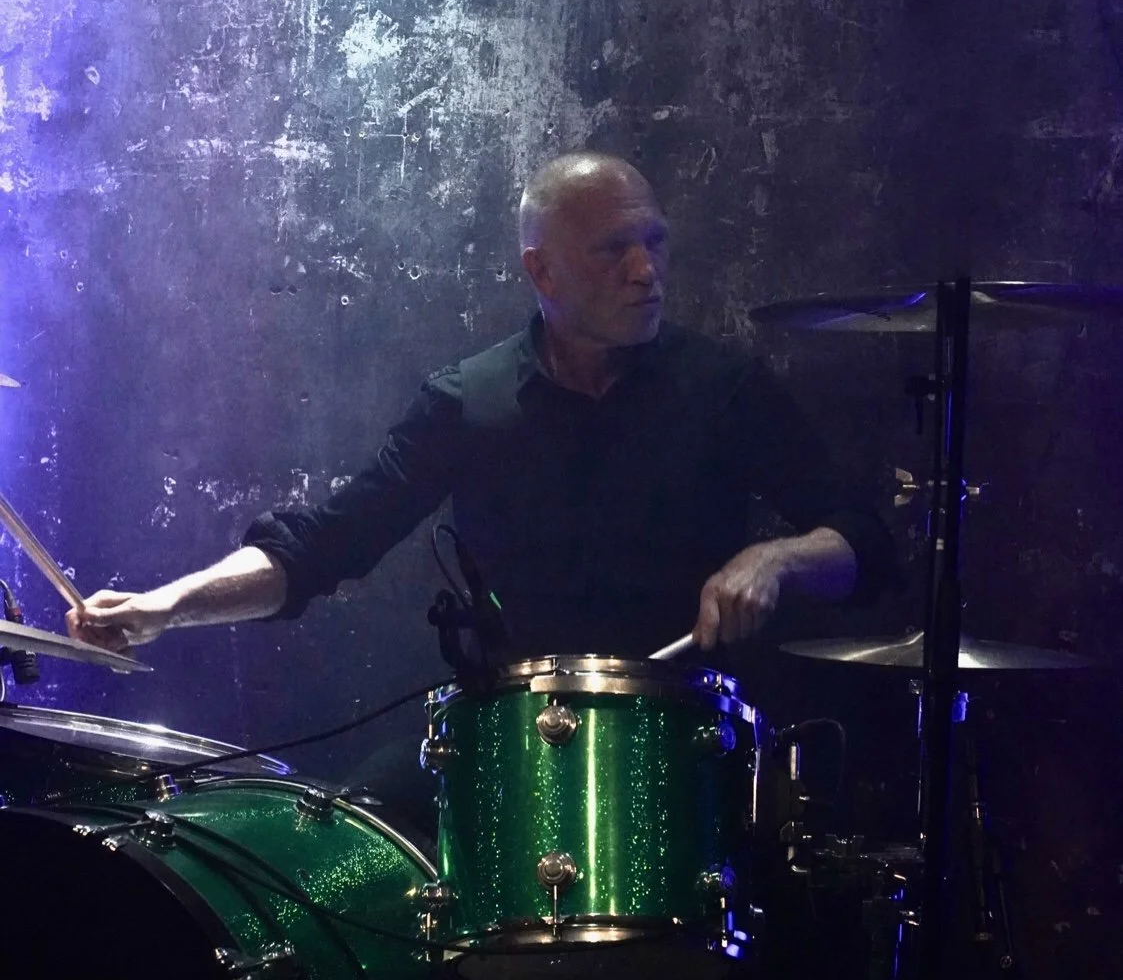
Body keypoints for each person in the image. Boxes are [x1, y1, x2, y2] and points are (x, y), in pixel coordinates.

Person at [67, 151, 895, 662]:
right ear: (542, 273)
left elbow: (865, 541)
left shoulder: (726, 388)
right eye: (614, 250)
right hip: (511, 733)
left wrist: (778, 558)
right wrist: (165, 606)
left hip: (684, 733)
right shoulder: (468, 403)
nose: (646, 271)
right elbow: (325, 544)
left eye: (655, 243)